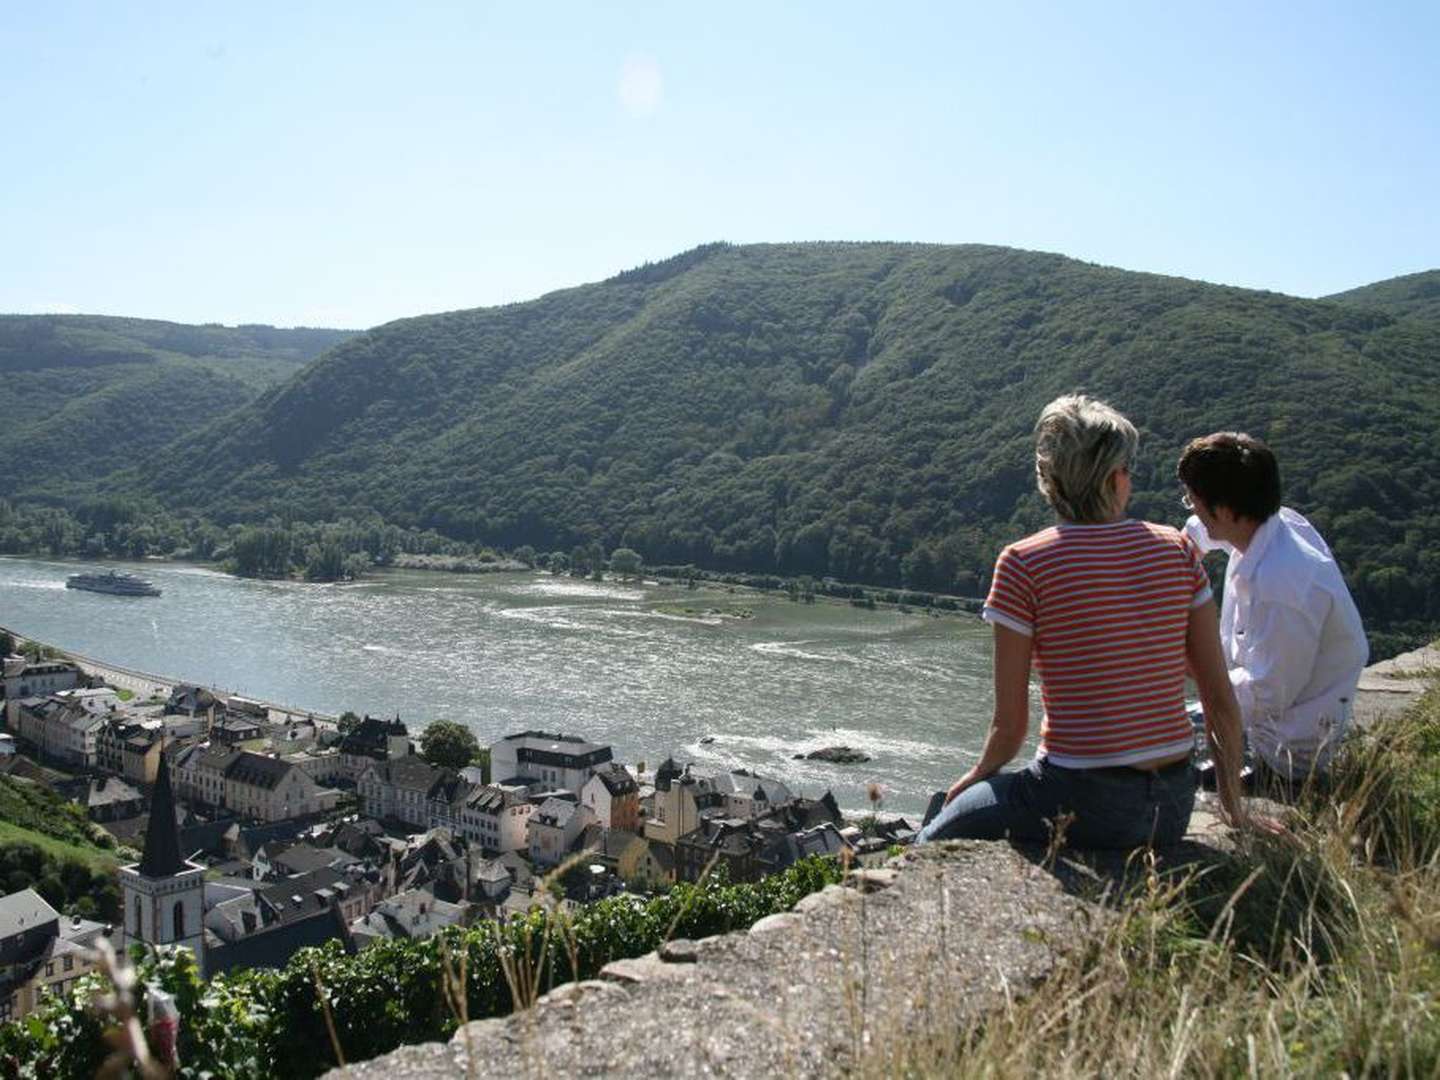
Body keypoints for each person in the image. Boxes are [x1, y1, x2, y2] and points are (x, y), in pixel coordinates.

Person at [920, 394, 1250, 848]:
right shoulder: (1177, 550)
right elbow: (1219, 698)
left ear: (1049, 480)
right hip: (1173, 803)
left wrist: (975, 779)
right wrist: (1233, 808)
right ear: (1116, 479)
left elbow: (1009, 728)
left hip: (1080, 800)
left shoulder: (1023, 563)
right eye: (1127, 470)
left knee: (937, 829)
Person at [1177, 433, 1367, 786]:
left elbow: (1268, 694)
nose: (1192, 509)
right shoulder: (1277, 524)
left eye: (1193, 502)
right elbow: (1200, 533)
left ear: (1222, 511)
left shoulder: (1282, 586)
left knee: (1146, 750)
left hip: (1284, 751)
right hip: (1273, 721)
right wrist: (1181, 550)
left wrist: (1191, 664)